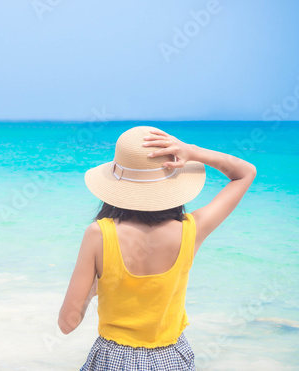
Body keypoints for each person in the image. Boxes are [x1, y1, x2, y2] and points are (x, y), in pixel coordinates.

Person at [58, 126, 256, 370]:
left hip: (113, 360)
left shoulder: (99, 234)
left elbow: (67, 324)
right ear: (173, 182)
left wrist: (95, 288)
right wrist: (192, 151)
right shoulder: (191, 230)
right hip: (173, 358)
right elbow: (245, 173)